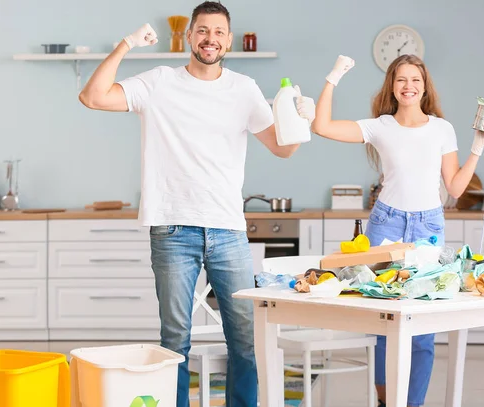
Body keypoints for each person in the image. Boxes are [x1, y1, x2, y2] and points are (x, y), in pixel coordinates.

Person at [78, 2, 316, 406]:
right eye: (203, 31)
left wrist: (301, 120)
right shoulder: (158, 82)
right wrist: (127, 43)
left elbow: (283, 148)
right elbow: (92, 96)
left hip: (228, 230)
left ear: (229, 40)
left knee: (243, 338)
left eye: (219, 32)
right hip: (172, 228)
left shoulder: (243, 89)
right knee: (175, 340)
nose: (210, 39)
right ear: (189, 37)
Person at [311, 54, 484, 407]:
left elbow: (455, 189)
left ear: (424, 86)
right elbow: (321, 126)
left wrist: (478, 147)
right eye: (401, 80)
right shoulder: (380, 126)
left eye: (415, 79)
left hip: (428, 226)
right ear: (392, 87)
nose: (408, 86)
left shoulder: (442, 129)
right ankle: (386, 402)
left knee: (423, 328)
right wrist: (334, 76)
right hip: (387, 225)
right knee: (385, 322)